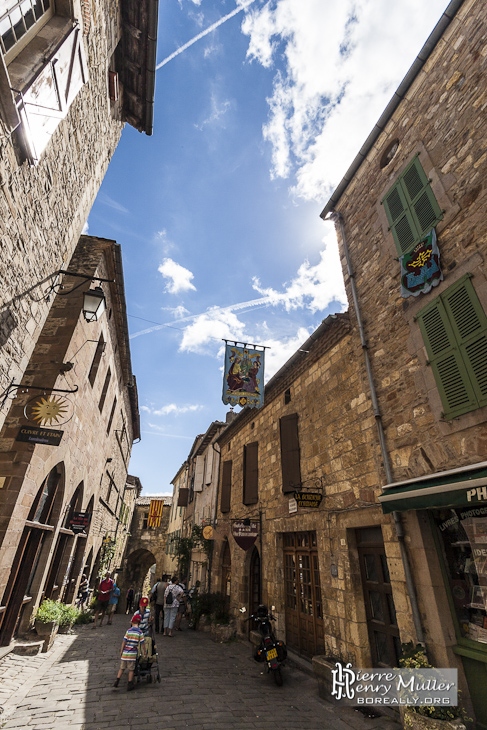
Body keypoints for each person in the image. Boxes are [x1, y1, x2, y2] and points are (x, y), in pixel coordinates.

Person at [113, 614, 146, 691]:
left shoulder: (128, 631)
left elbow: (124, 642)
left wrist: (121, 650)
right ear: (139, 623)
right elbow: (142, 643)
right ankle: (129, 683)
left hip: (125, 654)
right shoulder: (140, 632)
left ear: (132, 622)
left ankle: (117, 680)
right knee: (131, 669)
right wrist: (144, 651)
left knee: (122, 668)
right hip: (132, 654)